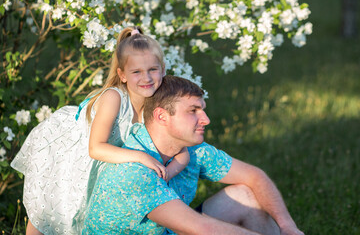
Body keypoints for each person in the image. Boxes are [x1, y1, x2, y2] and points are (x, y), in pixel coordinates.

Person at [10, 26, 190, 235]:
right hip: (72, 151)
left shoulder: (157, 105)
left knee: (84, 215)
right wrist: (142, 157)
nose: (146, 78)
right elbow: (95, 148)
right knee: (53, 207)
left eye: (152, 69)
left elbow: (182, 152)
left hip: (108, 161)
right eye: (136, 72)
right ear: (122, 75)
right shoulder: (114, 98)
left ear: (163, 69)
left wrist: (166, 173)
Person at [82, 75, 304, 235]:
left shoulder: (190, 149)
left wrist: (287, 226)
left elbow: (254, 176)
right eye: (193, 111)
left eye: (203, 109)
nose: (206, 119)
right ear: (161, 116)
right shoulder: (132, 170)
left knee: (246, 194)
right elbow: (201, 228)